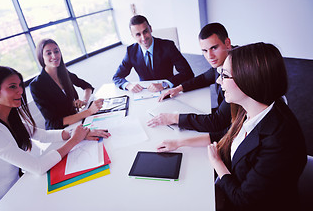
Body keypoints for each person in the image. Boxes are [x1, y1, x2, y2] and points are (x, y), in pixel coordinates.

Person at [156, 43, 307, 211]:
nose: (219, 80)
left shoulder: (279, 142)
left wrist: (217, 162)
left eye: (225, 75)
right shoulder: (249, 107)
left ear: (249, 80)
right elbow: (227, 133)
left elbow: (244, 200)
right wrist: (180, 142)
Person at [0, 66, 110, 211]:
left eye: (20, 85)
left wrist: (76, 133)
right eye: (12, 87)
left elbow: (42, 135)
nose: (20, 91)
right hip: (2, 201)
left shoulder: (9, 117)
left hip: (22, 186)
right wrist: (74, 140)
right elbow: (37, 167)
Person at [148, 23, 232, 132]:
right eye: (205, 51)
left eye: (214, 48)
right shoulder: (224, 61)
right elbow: (205, 77)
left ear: (227, 43)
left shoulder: (236, 72)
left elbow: (218, 121)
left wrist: (174, 118)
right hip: (223, 113)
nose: (209, 56)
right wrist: (179, 88)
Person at [30, 39, 103, 130]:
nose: (54, 56)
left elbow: (87, 86)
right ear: (41, 57)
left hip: (76, 122)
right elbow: (54, 122)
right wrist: (88, 111)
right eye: (48, 53)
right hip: (60, 131)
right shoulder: (36, 85)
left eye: (56, 51)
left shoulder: (64, 73)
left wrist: (84, 101)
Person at [112, 15, 194, 93]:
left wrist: (164, 84)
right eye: (138, 34)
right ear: (133, 36)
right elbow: (117, 77)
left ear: (150, 29)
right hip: (145, 93)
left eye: (145, 31)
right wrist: (128, 85)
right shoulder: (131, 51)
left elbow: (188, 73)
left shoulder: (168, 46)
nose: (143, 38)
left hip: (167, 90)